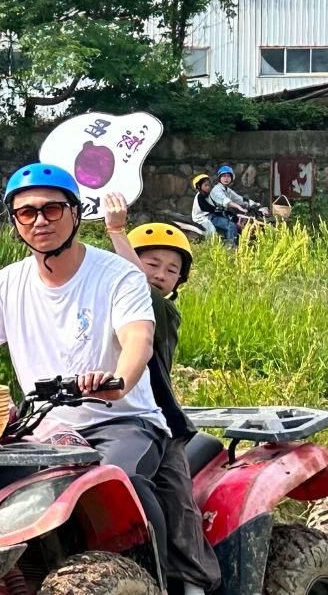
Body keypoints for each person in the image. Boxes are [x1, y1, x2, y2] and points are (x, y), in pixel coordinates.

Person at [0, 164, 169, 567]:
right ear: (15, 221)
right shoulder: (9, 281)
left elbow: (139, 340)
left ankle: (157, 575)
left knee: (118, 483)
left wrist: (117, 384)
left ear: (75, 213)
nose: (40, 220)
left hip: (122, 422)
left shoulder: (118, 276)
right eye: (27, 212)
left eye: (53, 209)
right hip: (42, 428)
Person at [104, 196, 221, 595]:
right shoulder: (106, 303)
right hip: (103, 418)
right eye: (151, 263)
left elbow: (135, 286)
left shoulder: (162, 312)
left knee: (177, 498)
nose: (159, 274)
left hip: (159, 419)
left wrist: (116, 232)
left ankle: (194, 582)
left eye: (171, 270)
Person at [191, 173, 238, 247]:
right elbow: (209, 208)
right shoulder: (200, 196)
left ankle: (231, 244)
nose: (208, 187)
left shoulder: (209, 195)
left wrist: (225, 211)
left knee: (231, 225)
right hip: (202, 218)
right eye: (205, 185)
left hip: (212, 216)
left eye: (209, 185)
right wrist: (222, 211)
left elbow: (216, 206)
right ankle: (215, 247)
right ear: (199, 186)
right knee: (212, 234)